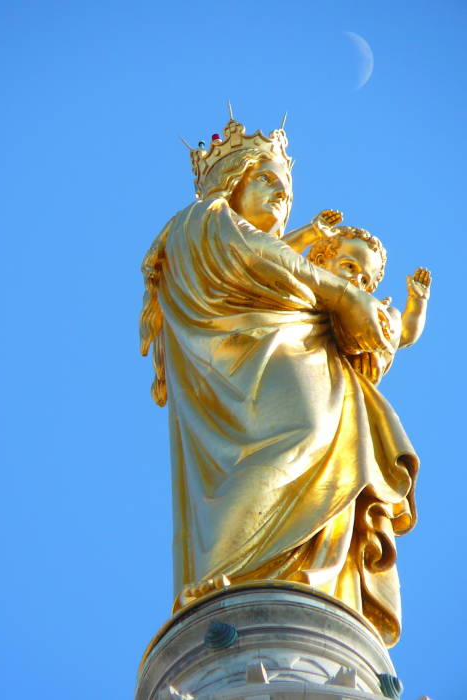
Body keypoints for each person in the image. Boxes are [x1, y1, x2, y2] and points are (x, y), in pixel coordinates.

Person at [140, 117, 418, 647]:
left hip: (304, 359)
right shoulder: (201, 223)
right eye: (266, 180)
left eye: (286, 191)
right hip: (256, 372)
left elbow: (283, 265)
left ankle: (314, 584)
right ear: (233, 182)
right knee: (298, 440)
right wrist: (341, 294)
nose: (280, 197)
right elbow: (263, 259)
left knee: (335, 464)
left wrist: (357, 305)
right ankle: (227, 572)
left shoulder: (278, 259)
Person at [285, 219, 431, 383]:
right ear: (319, 261)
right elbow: (274, 256)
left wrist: (418, 301)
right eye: (349, 267)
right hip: (285, 356)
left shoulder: (353, 327)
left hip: (331, 380)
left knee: (392, 315)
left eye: (364, 281)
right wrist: (309, 233)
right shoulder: (298, 289)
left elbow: (404, 335)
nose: (356, 280)